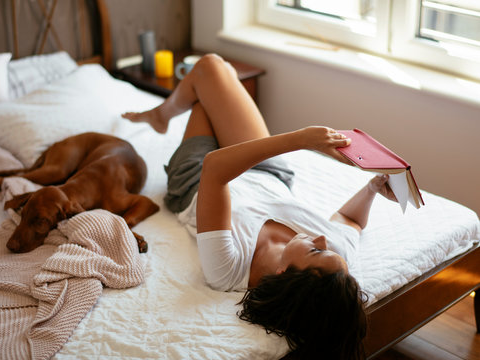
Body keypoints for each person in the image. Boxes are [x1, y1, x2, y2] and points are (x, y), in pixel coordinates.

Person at [123, 54, 396, 360]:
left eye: (316, 251)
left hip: (197, 178)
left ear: (283, 273)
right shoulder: (333, 262)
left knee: (210, 78)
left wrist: (301, 139)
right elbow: (349, 220)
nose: (322, 240)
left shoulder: (228, 269)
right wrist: (373, 188)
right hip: (266, 172)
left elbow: (215, 171)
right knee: (215, 70)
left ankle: (163, 114)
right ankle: (163, 114)